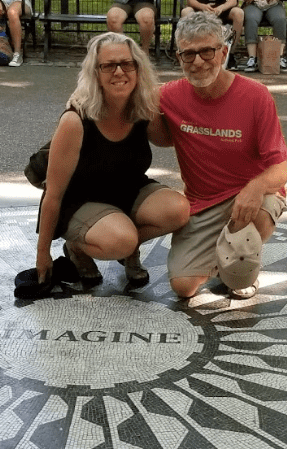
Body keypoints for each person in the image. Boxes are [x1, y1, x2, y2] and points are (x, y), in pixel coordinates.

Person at [34, 31, 189, 289]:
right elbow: (53, 194)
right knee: (122, 240)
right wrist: (42, 255)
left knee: (179, 210)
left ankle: (126, 242)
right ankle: (78, 247)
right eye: (108, 65)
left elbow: (168, 139)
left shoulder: (143, 107)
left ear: (138, 69)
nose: (119, 72)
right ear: (95, 73)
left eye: (128, 64)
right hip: (81, 199)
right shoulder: (75, 120)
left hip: (128, 191)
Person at [150, 12, 287, 300]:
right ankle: (224, 250)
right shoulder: (168, 96)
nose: (198, 61)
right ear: (179, 57)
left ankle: (239, 265)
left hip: (249, 195)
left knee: (256, 219)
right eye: (189, 54)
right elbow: (137, 107)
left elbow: (279, 168)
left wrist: (257, 187)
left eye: (207, 51)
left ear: (223, 52)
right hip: (203, 202)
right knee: (182, 287)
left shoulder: (256, 96)